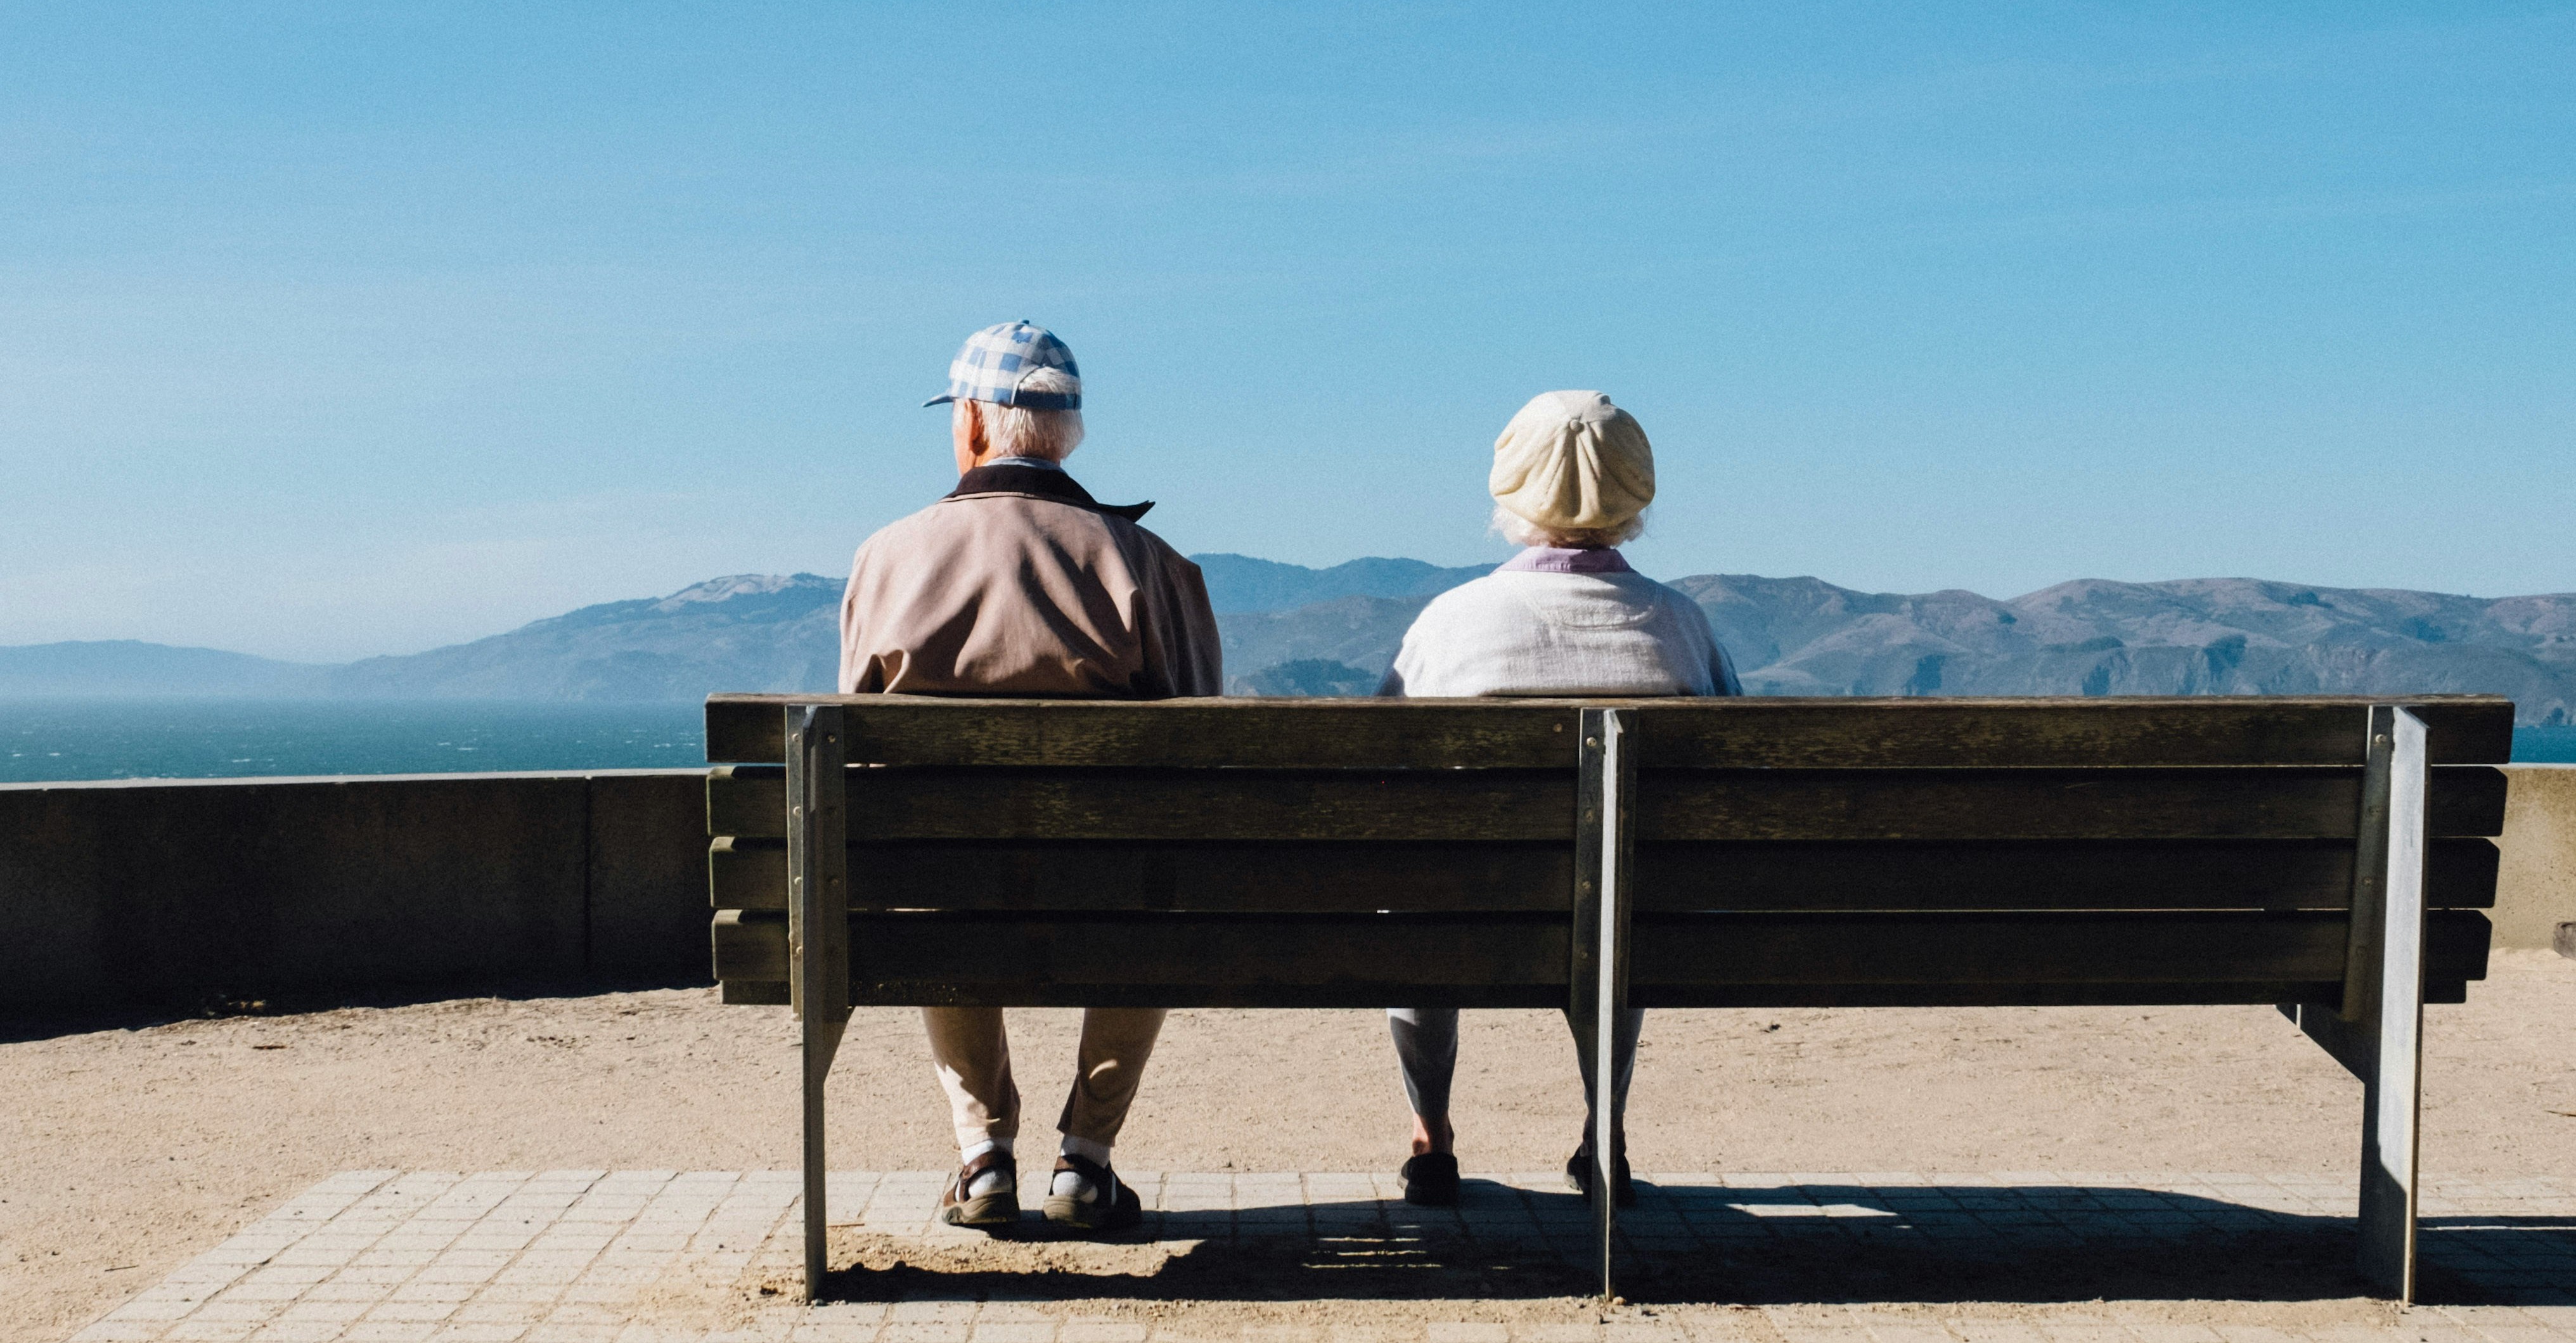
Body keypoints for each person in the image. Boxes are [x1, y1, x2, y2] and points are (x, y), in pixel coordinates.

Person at [839, 321, 1222, 1232]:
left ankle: (983, 1156)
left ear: (973, 424)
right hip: (1113, 891)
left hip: (945, 889)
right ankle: (1086, 1159)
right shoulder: (1151, 566)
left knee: (930, 881)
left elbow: (854, 752)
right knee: (1155, 889)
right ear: (1067, 435)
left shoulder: (889, 556)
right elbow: (1206, 748)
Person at [1378, 389, 1741, 1209]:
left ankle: (1432, 1138)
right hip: (1634, 920)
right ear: (1636, 493)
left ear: (1510, 492)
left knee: (1419, 903)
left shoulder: (1451, 623)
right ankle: (1603, 1133)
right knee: (1615, 899)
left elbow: (1382, 778)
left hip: (1469, 913)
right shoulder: (1682, 627)